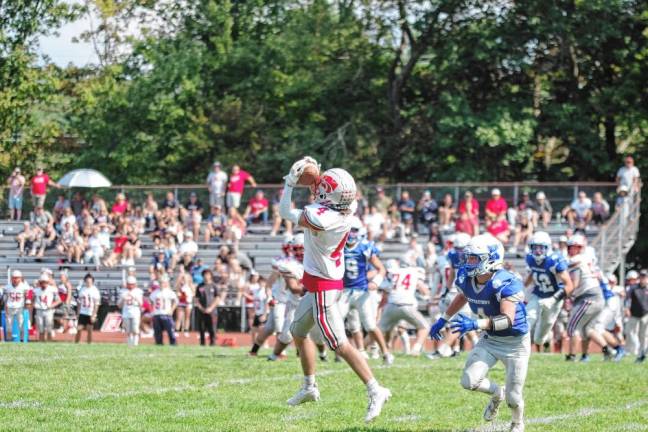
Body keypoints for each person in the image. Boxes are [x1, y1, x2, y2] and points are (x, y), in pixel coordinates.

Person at [279, 156, 391, 422]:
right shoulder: (344, 207)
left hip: (324, 289)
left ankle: (376, 389)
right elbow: (323, 193)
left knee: (339, 344)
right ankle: (309, 387)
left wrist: (289, 184)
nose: (319, 187)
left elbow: (285, 212)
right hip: (322, 284)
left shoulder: (324, 218)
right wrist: (314, 178)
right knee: (297, 331)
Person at [429, 234, 529, 432]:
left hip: (514, 344)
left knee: (514, 398)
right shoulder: (467, 277)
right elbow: (463, 295)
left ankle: (518, 423)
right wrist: (443, 319)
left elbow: (507, 320)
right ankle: (496, 393)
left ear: (491, 259)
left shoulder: (506, 281)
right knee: (469, 381)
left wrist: (476, 324)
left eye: (474, 258)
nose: (468, 262)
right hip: (490, 340)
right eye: (468, 257)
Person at [338, 217, 392, 363]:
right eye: (349, 230)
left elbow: (381, 268)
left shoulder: (365, 246)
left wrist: (376, 282)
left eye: (354, 230)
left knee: (370, 325)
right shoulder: (338, 246)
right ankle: (341, 353)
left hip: (362, 292)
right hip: (344, 291)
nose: (351, 233)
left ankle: (386, 353)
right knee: (336, 323)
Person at [563, 235, 616, 361]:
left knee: (573, 326)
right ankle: (607, 351)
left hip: (588, 297)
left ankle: (571, 356)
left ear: (579, 248)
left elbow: (575, 284)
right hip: (597, 297)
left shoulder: (576, 260)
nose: (570, 250)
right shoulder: (586, 259)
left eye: (573, 247)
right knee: (588, 329)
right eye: (569, 247)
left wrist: (566, 294)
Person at [523, 231, 573, 352]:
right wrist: (523, 286)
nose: (538, 251)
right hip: (538, 294)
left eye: (541, 247)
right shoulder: (530, 259)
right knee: (528, 319)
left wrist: (553, 299)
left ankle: (543, 342)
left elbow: (569, 285)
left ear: (548, 247)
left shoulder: (555, 260)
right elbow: (531, 273)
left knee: (541, 335)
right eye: (535, 247)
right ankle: (520, 349)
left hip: (554, 298)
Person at [249, 236, 293, 356]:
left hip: (291, 300)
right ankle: (280, 352)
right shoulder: (281, 263)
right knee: (280, 326)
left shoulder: (301, 262)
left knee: (268, 328)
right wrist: (269, 298)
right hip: (279, 300)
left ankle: (253, 351)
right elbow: (269, 284)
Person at [379, 260, 430, 356]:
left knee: (377, 330)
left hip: (392, 305)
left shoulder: (394, 273)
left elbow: (386, 291)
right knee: (424, 327)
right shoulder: (414, 272)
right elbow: (423, 289)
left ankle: (363, 349)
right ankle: (415, 349)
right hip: (407, 305)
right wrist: (428, 296)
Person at [194, 269, 221, 346]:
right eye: (205, 275)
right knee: (201, 328)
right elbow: (196, 299)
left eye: (208, 274)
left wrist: (211, 308)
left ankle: (213, 343)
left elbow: (217, 298)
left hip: (212, 311)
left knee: (212, 328)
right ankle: (202, 343)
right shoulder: (200, 286)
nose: (206, 276)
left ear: (211, 276)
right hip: (202, 311)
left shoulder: (214, 286)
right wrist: (201, 308)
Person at [626, 270, 648, 363]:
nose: (643, 279)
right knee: (631, 333)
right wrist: (626, 309)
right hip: (634, 314)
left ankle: (642, 353)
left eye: (645, 277)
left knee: (644, 335)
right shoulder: (633, 288)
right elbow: (628, 299)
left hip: (646, 314)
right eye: (642, 277)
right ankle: (638, 350)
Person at [150, 275, 178, 345]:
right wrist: (153, 310)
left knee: (170, 331)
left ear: (166, 283)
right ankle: (159, 344)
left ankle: (173, 343)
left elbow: (176, 301)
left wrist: (172, 310)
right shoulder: (155, 292)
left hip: (166, 314)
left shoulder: (169, 292)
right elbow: (151, 301)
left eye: (162, 282)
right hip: (157, 314)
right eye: (160, 282)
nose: (161, 284)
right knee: (158, 332)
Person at [33, 273, 61, 342]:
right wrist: (34, 304)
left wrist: (51, 305)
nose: (43, 284)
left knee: (49, 328)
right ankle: (41, 343)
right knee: (40, 328)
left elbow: (59, 300)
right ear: (40, 282)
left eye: (45, 282)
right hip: (39, 310)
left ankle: (49, 343)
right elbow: (32, 300)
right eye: (42, 282)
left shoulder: (53, 289)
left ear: (48, 282)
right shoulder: (36, 290)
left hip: (49, 310)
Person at [4, 270, 30, 341]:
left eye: (17, 278)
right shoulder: (7, 287)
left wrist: (27, 305)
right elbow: (5, 299)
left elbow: (28, 298)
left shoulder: (25, 287)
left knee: (21, 325)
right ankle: (9, 340)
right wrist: (5, 308)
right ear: (11, 278)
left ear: (21, 278)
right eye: (14, 278)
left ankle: (22, 340)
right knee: (9, 325)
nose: (15, 279)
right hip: (10, 307)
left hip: (20, 308)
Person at [75, 274, 101, 344]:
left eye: (90, 281)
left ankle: (89, 344)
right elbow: (79, 303)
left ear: (92, 282)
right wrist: (78, 313)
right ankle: (76, 343)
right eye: (87, 281)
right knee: (79, 329)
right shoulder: (82, 290)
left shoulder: (95, 290)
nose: (88, 283)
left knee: (89, 330)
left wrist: (94, 314)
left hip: (90, 312)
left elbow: (96, 304)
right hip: (82, 312)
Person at [118, 276, 144, 347]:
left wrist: (135, 297)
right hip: (126, 312)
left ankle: (135, 343)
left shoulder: (138, 291)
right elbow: (119, 305)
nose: (130, 285)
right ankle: (130, 343)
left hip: (135, 312)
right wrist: (123, 299)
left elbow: (141, 304)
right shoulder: (123, 291)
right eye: (129, 284)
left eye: (132, 284)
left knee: (135, 328)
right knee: (128, 329)